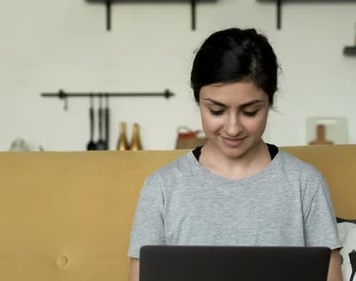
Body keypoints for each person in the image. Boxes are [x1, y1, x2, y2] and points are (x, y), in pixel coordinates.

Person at [127, 27, 343, 281]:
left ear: (270, 101)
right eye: (216, 111)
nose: (232, 128)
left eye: (250, 112)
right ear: (198, 98)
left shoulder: (305, 184)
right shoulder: (162, 187)